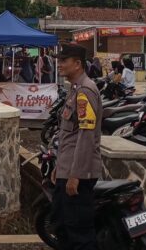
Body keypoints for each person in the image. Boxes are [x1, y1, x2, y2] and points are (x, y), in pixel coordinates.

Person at [51, 44, 102, 250]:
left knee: (79, 233)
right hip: (67, 168)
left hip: (77, 173)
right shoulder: (75, 90)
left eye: (64, 61)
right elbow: (69, 136)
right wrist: (60, 166)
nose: (59, 64)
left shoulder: (85, 91)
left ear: (78, 64)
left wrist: (76, 175)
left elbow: (86, 136)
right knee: (62, 226)